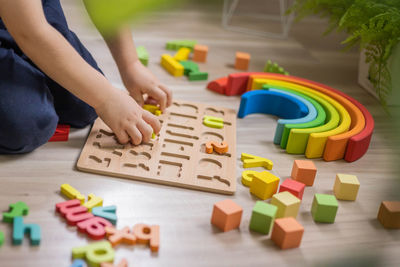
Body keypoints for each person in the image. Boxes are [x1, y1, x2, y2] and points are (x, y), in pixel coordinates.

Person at [0, 0, 172, 154]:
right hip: (26, 24)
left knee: (84, 108)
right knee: (28, 126)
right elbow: (29, 33)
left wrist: (130, 64)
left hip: (32, 11)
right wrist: (106, 98)